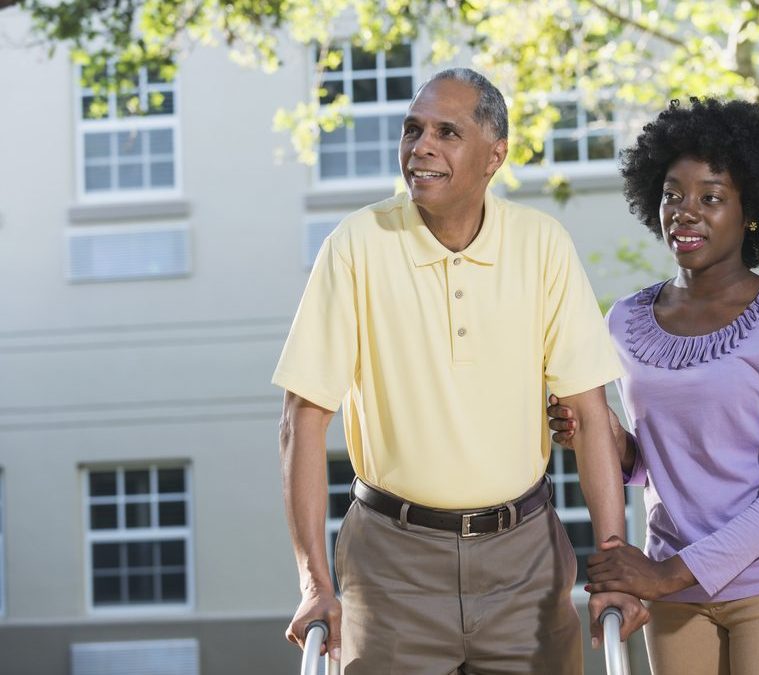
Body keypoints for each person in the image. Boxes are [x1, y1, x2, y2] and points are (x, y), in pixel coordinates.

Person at [273, 67, 648, 674]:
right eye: (413, 130)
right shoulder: (356, 245)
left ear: (493, 155)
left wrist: (611, 560)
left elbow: (588, 409)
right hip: (392, 564)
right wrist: (315, 581)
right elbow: (303, 419)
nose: (421, 146)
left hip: (525, 563)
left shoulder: (542, 244)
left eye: (447, 132)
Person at [547, 97, 759, 675]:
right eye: (672, 195)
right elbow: (651, 459)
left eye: (711, 197)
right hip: (677, 597)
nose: (685, 212)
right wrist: (594, 431)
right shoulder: (625, 320)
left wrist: (661, 574)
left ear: (750, 209)